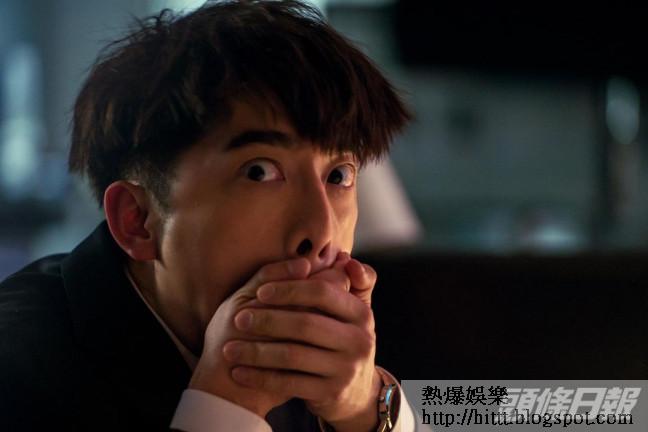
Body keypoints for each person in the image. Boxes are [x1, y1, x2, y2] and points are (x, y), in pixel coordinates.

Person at [0, 1, 413, 430]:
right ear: (137, 220)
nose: (322, 232)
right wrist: (226, 406)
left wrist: (366, 405)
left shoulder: (350, 336)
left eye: (339, 175)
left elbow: (457, 411)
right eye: (259, 172)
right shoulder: (19, 371)